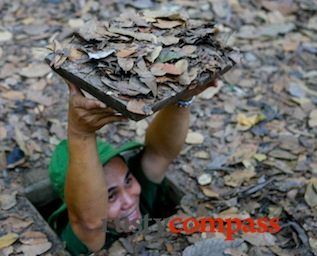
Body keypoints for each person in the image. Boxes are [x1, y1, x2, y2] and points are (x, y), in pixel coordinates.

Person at [47, 78, 217, 255]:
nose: (129, 199)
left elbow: (159, 154)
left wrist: (182, 98)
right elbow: (90, 223)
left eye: (128, 180)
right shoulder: (79, 238)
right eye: (110, 195)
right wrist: (80, 133)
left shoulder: (139, 195)